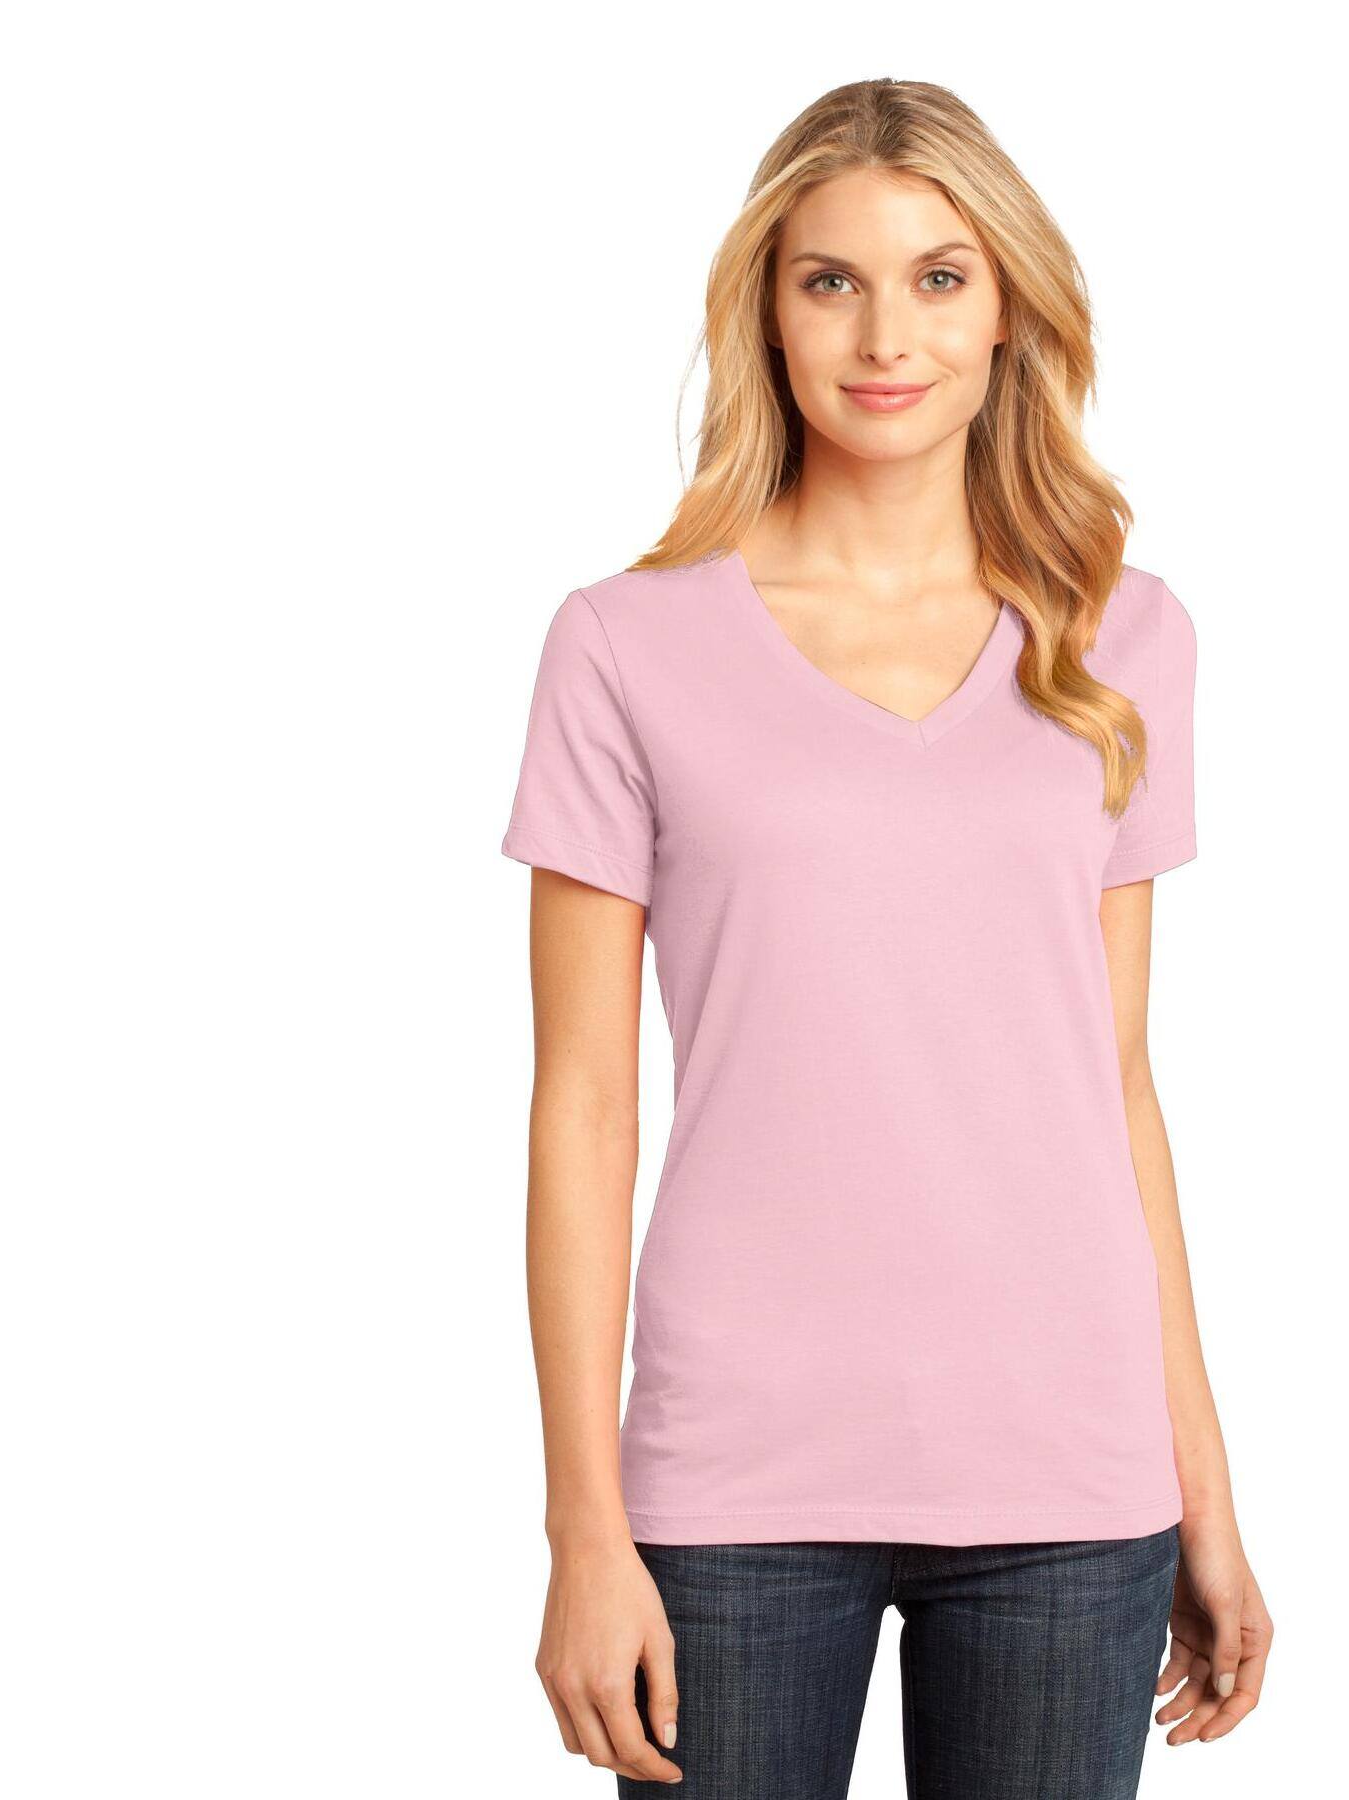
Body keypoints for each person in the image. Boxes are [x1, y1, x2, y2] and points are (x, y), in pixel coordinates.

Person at [501, 77, 1272, 1799]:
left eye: (938, 277)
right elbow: (583, 1111)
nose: (883, 336)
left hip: (1070, 1479)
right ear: (767, 314)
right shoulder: (623, 647)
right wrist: (581, 1529)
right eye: (829, 280)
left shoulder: (1124, 641)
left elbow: (1115, 1090)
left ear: (1007, 310)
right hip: (730, 1485)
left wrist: (1205, 1490)